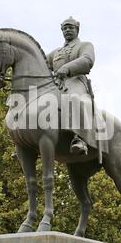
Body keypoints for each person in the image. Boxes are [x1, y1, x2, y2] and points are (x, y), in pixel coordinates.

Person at [46, 16, 95, 155]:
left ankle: (80, 138)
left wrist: (66, 68)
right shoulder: (56, 52)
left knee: (73, 98)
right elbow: (42, 63)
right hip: (56, 85)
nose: (67, 30)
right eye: (65, 28)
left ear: (77, 29)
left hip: (75, 81)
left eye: (71, 27)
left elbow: (87, 60)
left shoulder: (85, 45)